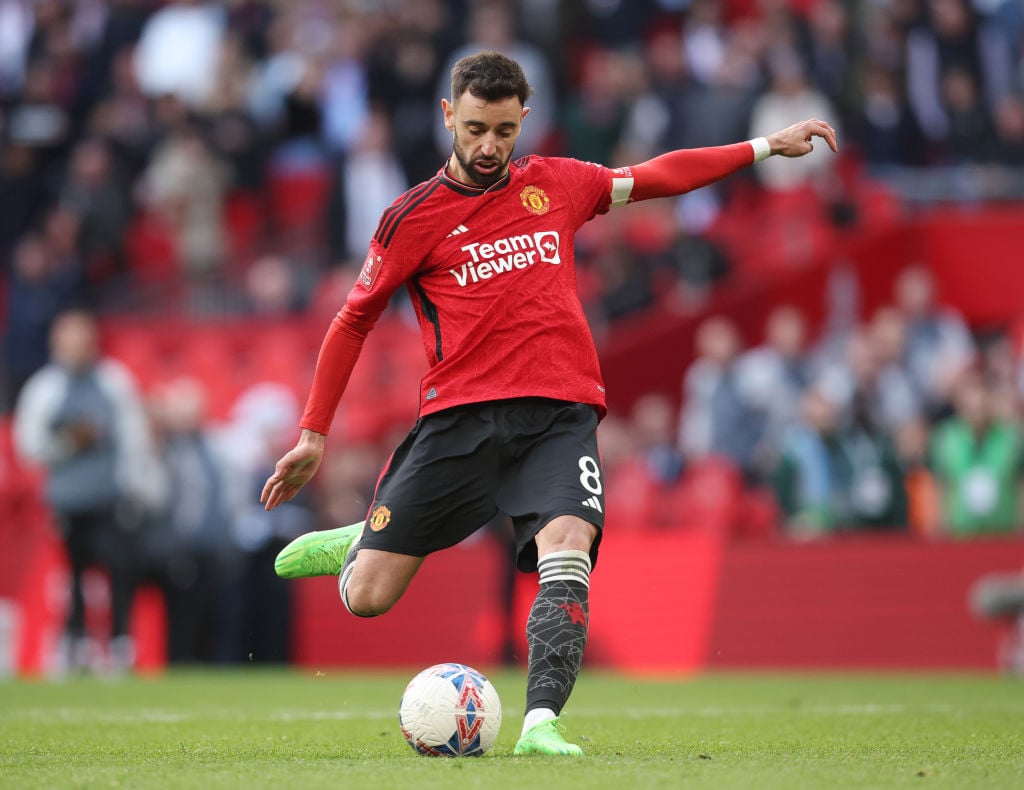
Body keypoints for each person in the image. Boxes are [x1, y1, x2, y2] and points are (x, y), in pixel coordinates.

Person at [262, 51, 836, 756]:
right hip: (459, 422)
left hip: (558, 418)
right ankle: (360, 545)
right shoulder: (411, 217)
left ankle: (540, 724)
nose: (488, 146)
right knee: (371, 597)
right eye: (474, 128)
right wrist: (315, 434)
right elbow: (352, 321)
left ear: (522, 120)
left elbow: (657, 176)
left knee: (569, 549)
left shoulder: (559, 184)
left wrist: (763, 147)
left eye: (504, 130)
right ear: (448, 115)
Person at [13, 310, 163, 674]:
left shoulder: (113, 382)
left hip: (110, 496)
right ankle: (77, 644)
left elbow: (134, 439)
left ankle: (118, 643)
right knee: (73, 574)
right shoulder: (45, 387)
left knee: (119, 568)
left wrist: (140, 486)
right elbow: (28, 446)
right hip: (68, 499)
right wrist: (68, 442)